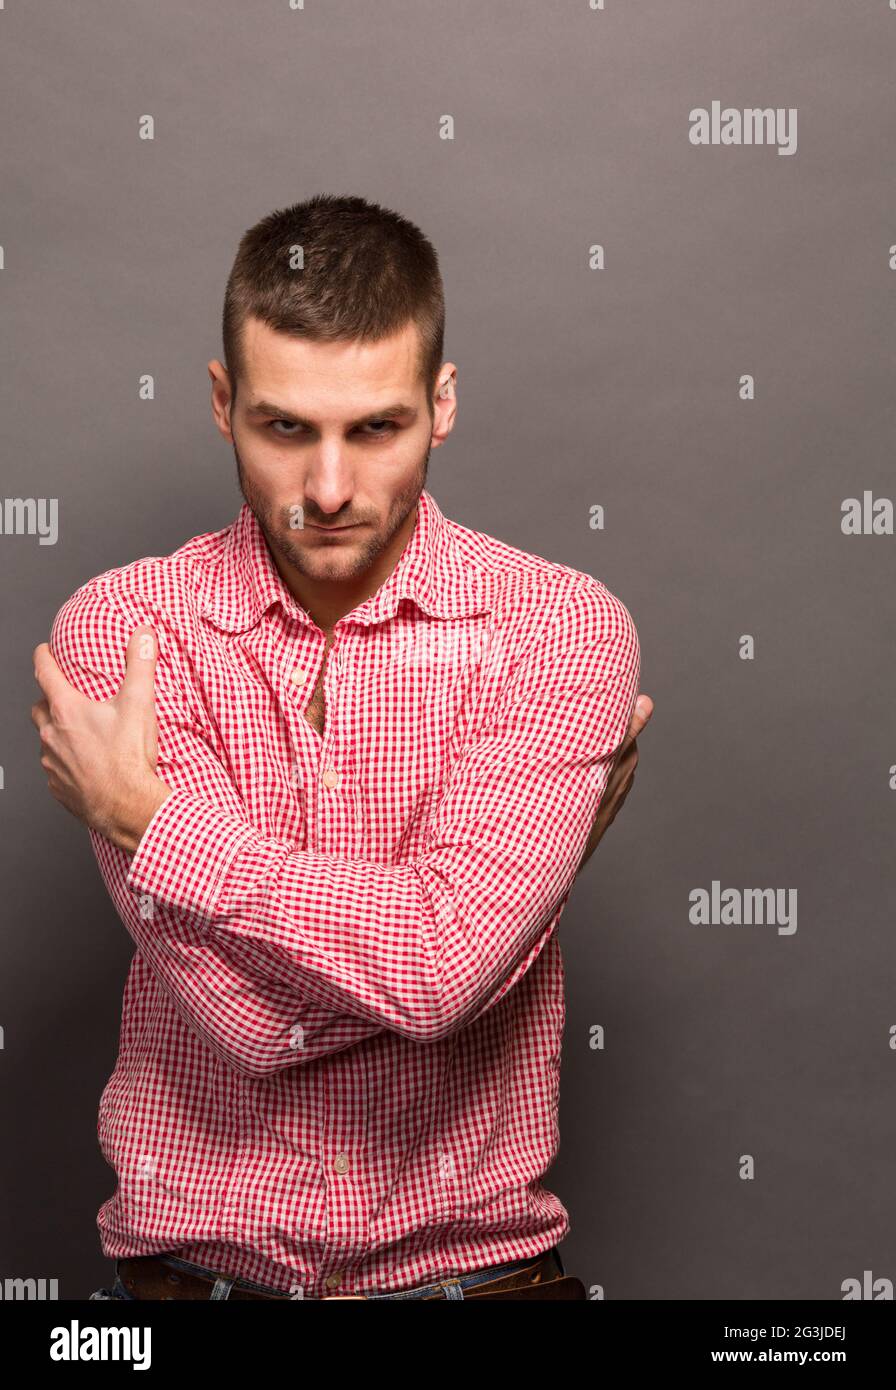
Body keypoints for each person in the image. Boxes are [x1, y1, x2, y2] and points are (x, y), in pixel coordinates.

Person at [31, 194, 653, 1301]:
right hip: (193, 1285)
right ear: (223, 403)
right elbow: (252, 1022)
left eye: (374, 428)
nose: (326, 490)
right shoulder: (121, 636)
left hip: (482, 1282)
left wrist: (154, 825)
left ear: (441, 403)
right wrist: (469, 928)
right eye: (284, 428)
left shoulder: (557, 629)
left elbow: (437, 973)